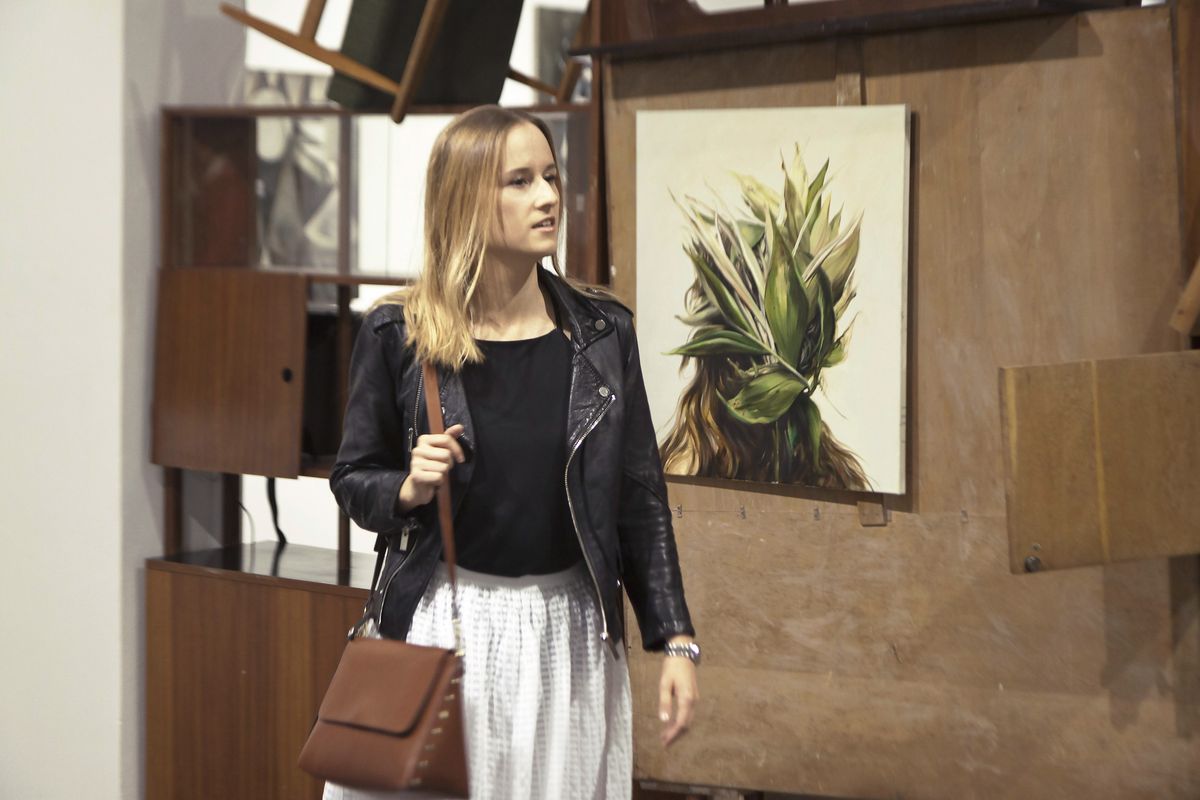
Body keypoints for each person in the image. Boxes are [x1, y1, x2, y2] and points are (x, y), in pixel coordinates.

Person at [323, 105, 698, 800]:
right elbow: (352, 477)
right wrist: (406, 487)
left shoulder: (602, 334)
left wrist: (674, 638)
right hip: (442, 627)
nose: (549, 197)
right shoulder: (398, 332)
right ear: (466, 199)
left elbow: (639, 499)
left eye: (550, 177)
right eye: (520, 181)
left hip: (570, 635)